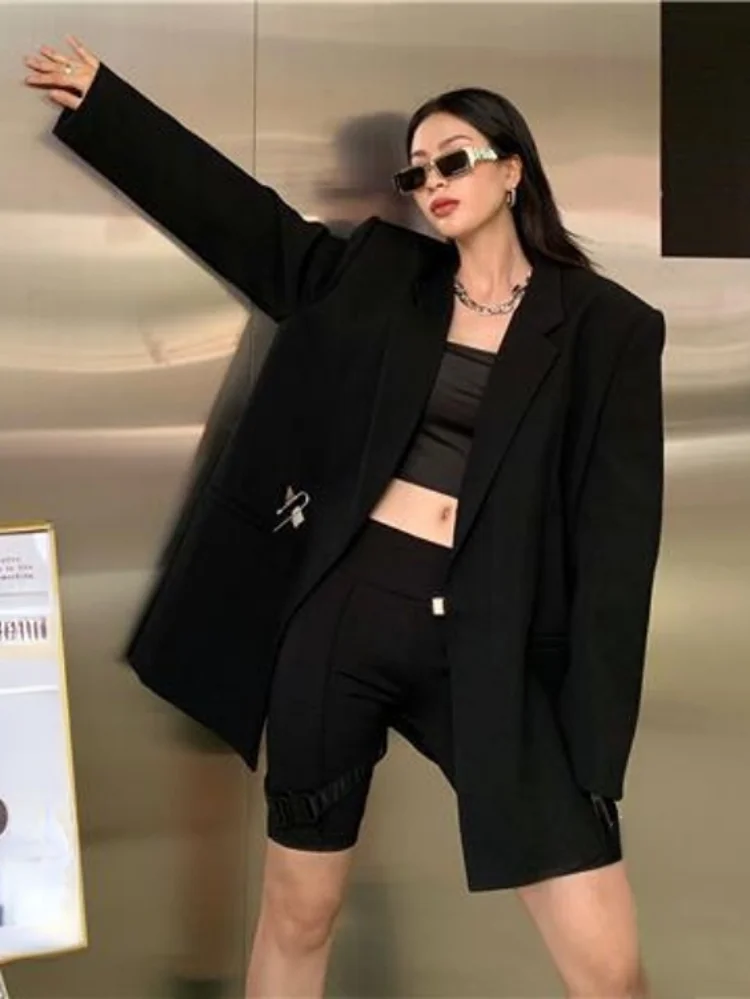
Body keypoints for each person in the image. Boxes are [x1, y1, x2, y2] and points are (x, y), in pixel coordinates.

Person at [23, 36, 666, 999]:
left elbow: (619, 547)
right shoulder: (380, 276)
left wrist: (595, 748)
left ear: (512, 169)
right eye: (417, 170)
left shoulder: (608, 328)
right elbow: (248, 226)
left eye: (454, 159)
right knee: (299, 912)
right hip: (343, 617)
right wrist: (109, 106)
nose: (432, 182)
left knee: (608, 965)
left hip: (489, 648)